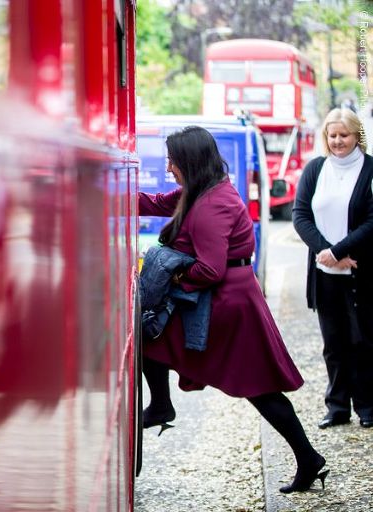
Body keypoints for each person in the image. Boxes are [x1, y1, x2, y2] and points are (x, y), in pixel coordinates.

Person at [139, 126, 327, 494]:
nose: (167, 167)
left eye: (172, 160)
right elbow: (159, 202)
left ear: (189, 161)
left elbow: (209, 270)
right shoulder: (200, 191)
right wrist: (106, 191)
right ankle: (161, 406)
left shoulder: (212, 204)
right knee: (154, 342)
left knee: (259, 388)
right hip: (228, 298)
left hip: (231, 304)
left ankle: (308, 459)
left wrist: (174, 278)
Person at [292, 108, 373, 430]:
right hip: (324, 272)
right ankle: (337, 406)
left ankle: (367, 406)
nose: (338, 141)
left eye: (344, 135)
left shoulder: (370, 169)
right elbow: (300, 215)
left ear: (357, 136)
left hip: (361, 270)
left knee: (364, 341)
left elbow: (371, 220)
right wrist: (326, 253)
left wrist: (339, 251)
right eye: (332, 135)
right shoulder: (315, 169)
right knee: (333, 342)